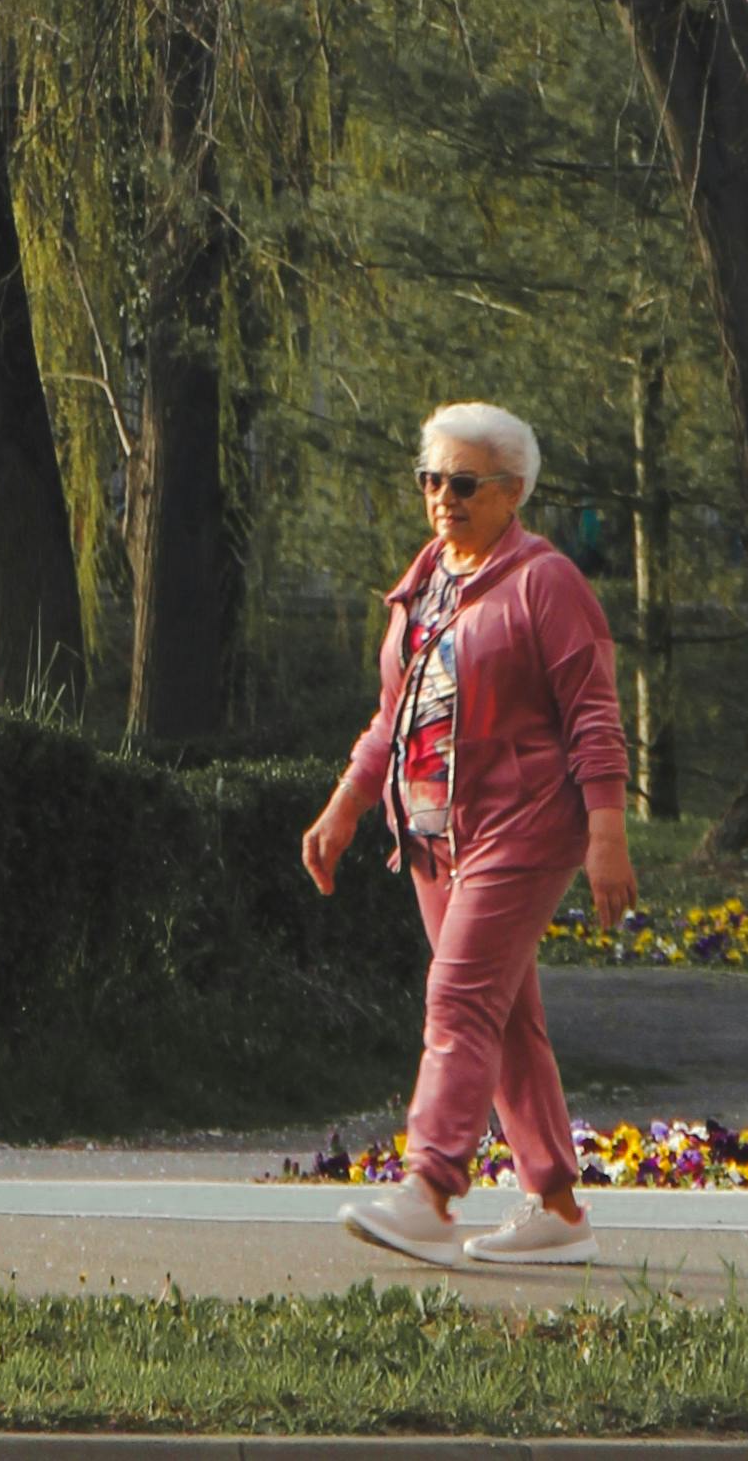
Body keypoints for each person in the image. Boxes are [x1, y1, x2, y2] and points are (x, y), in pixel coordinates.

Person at [301, 401, 635, 1270]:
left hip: (523, 826)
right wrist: (344, 806)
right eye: (431, 479)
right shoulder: (424, 581)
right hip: (433, 833)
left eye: (463, 482)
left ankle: (431, 1190)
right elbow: (392, 716)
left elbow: (595, 714)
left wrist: (607, 834)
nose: (442, 497)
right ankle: (557, 1207)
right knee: (507, 1018)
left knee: (456, 997)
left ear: (513, 490)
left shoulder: (543, 580)